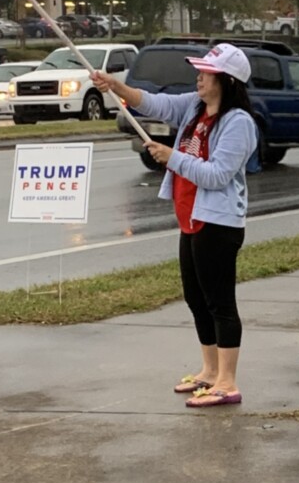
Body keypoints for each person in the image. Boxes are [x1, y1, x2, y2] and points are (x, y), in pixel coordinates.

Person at [92, 43, 257, 408]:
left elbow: (218, 176)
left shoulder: (239, 123)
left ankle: (228, 382)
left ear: (227, 81)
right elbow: (154, 103)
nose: (198, 77)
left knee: (220, 302)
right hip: (191, 218)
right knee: (195, 297)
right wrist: (115, 86)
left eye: (206, 73)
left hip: (219, 222)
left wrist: (172, 157)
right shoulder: (195, 108)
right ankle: (209, 371)